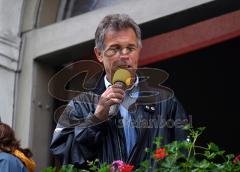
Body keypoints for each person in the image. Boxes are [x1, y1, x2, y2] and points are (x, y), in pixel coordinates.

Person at [50, 14, 189, 168]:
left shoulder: (166, 101)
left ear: (139, 50)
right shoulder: (78, 105)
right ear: (99, 54)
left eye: (130, 48)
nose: (124, 56)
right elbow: (64, 156)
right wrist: (96, 120)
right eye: (115, 49)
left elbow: (185, 157)